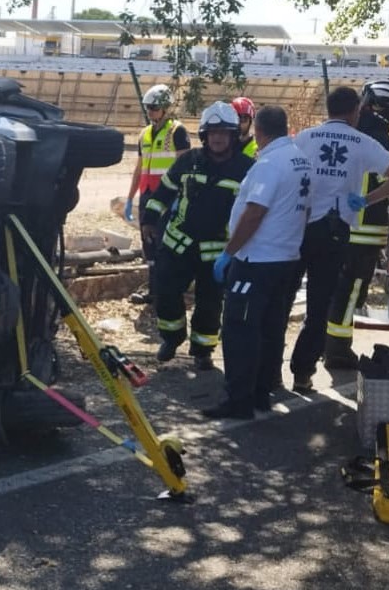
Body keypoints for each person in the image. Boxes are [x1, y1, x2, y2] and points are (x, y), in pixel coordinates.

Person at [286, 87, 389, 394]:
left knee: (280, 299)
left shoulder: (304, 138)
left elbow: (281, 172)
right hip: (338, 232)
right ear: (355, 110)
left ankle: (266, 375)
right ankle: (303, 373)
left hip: (299, 229)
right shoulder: (367, 143)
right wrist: (365, 201)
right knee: (320, 306)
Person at [201, 106, 312, 419]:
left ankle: (239, 400)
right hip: (286, 257)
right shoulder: (300, 159)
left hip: (257, 259)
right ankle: (261, 393)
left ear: (260, 131)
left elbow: (254, 212)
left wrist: (230, 252)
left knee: (240, 329)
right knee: (270, 328)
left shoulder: (270, 164)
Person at [141, 101, 254, 370]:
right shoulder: (188, 161)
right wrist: (149, 219)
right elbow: (163, 193)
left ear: (231, 135)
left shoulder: (247, 169)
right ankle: (172, 337)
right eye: (212, 132)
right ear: (204, 135)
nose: (216, 137)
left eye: (223, 132)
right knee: (165, 292)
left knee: (210, 304)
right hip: (177, 243)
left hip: (216, 252)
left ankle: (203, 350)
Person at [324, 81, 389, 369]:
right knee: (351, 293)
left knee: (330, 289)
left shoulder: (344, 136)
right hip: (363, 234)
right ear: (384, 112)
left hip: (331, 229)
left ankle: (321, 343)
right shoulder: (383, 144)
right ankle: (337, 350)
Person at [124, 84, 191, 304]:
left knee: (165, 243)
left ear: (165, 108)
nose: (150, 111)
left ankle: (168, 291)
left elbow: (184, 166)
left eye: (154, 107)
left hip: (168, 197)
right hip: (147, 195)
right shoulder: (144, 134)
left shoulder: (177, 132)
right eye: (148, 107)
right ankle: (153, 290)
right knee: (148, 244)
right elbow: (140, 167)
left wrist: (182, 197)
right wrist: (130, 197)